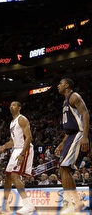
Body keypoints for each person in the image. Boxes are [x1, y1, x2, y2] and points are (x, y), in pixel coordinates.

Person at [55, 78, 90, 214]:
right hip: (71, 135)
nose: (58, 85)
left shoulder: (74, 96)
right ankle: (77, 202)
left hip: (79, 134)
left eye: (60, 83)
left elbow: (85, 113)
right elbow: (70, 126)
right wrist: (63, 142)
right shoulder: (65, 101)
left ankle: (70, 202)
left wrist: (85, 136)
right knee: (64, 168)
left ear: (67, 85)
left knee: (64, 167)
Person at [0, 101, 35, 215]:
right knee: (8, 178)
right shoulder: (12, 122)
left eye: (14, 105)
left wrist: (22, 154)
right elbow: (13, 141)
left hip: (25, 148)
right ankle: (5, 206)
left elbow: (29, 137)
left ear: (19, 107)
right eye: (10, 105)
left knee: (15, 175)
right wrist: (4, 146)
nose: (11, 107)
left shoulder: (21, 119)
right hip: (16, 149)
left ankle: (28, 205)